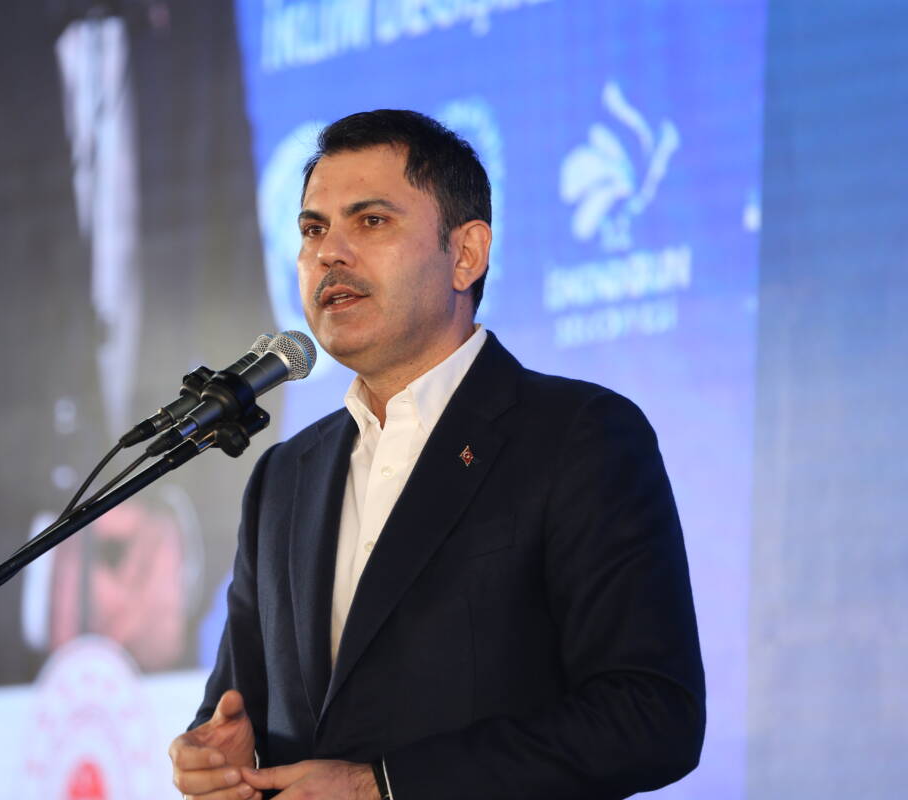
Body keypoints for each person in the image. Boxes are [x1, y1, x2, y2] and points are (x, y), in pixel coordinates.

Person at [169, 110, 705, 799]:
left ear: (466, 254)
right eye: (313, 229)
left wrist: (384, 787)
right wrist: (216, 755)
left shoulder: (579, 435)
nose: (330, 253)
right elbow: (236, 706)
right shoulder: (285, 476)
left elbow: (652, 715)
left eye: (371, 221)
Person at [0, 0, 275, 688]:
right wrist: (37, 589)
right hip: (3, 680)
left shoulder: (199, 21)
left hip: (165, 660)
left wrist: (188, 553)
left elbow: (254, 354)